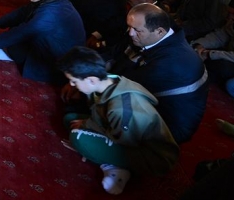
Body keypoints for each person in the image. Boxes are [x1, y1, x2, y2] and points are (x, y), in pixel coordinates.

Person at [59, 47, 179, 195]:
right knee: (69, 119)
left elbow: (124, 140)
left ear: (91, 80)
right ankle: (106, 156)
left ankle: (117, 169)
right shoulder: (108, 80)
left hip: (150, 155)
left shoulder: (121, 109)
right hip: (121, 132)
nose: (71, 85)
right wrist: (87, 124)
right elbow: (101, 115)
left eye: (73, 81)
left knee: (78, 138)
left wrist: (87, 127)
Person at [105, 3, 208, 143]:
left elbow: (122, 86)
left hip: (168, 130)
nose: (130, 33)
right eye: (129, 27)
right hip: (155, 106)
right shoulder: (157, 35)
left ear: (159, 31)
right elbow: (118, 55)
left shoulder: (169, 63)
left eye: (136, 30)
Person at [0, 0, 85, 83]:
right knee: (15, 29)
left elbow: (25, 31)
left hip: (56, 61)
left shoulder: (52, 12)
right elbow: (24, 11)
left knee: (15, 46)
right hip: (51, 44)